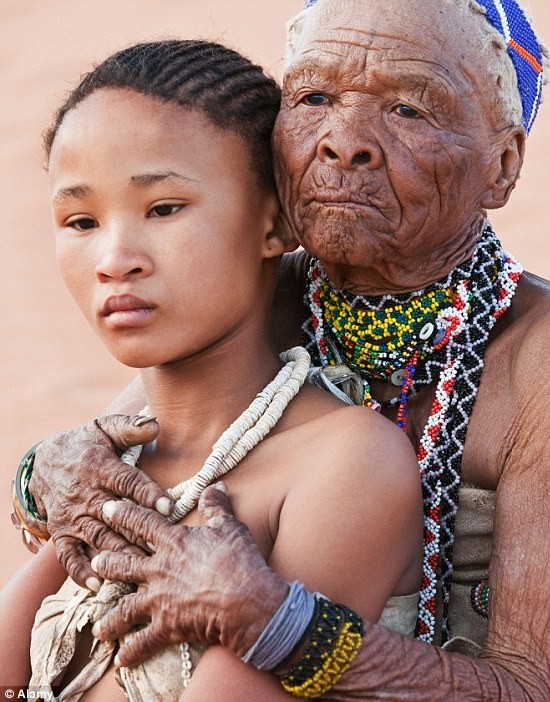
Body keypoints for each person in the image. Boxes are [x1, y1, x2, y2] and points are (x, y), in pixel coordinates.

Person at [10, 0, 550, 699]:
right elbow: (127, 448)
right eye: (313, 97)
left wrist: (280, 627)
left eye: (408, 110)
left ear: (503, 163)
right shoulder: (270, 289)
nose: (345, 141)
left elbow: (547, 689)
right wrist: (42, 476)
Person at [0, 38, 426, 699]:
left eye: (164, 208)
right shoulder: (103, 465)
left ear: (275, 223)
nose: (115, 258)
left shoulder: (347, 465)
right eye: (80, 220)